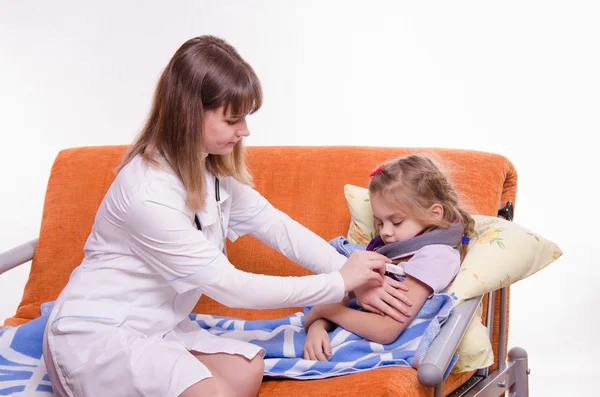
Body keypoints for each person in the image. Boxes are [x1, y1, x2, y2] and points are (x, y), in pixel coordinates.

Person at [41, 35, 413, 397]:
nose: (245, 131)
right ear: (187, 115)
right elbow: (230, 286)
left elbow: (274, 225)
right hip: (97, 334)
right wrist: (337, 283)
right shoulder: (147, 193)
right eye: (233, 119)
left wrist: (354, 275)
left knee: (246, 370)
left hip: (157, 325)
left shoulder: (208, 172)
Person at [303, 154, 475, 361]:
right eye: (379, 222)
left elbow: (387, 330)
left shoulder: (436, 255)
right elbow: (348, 300)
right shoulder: (391, 250)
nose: (385, 232)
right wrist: (318, 326)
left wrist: (325, 312)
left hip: (379, 343)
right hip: (343, 329)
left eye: (396, 221)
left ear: (435, 213)